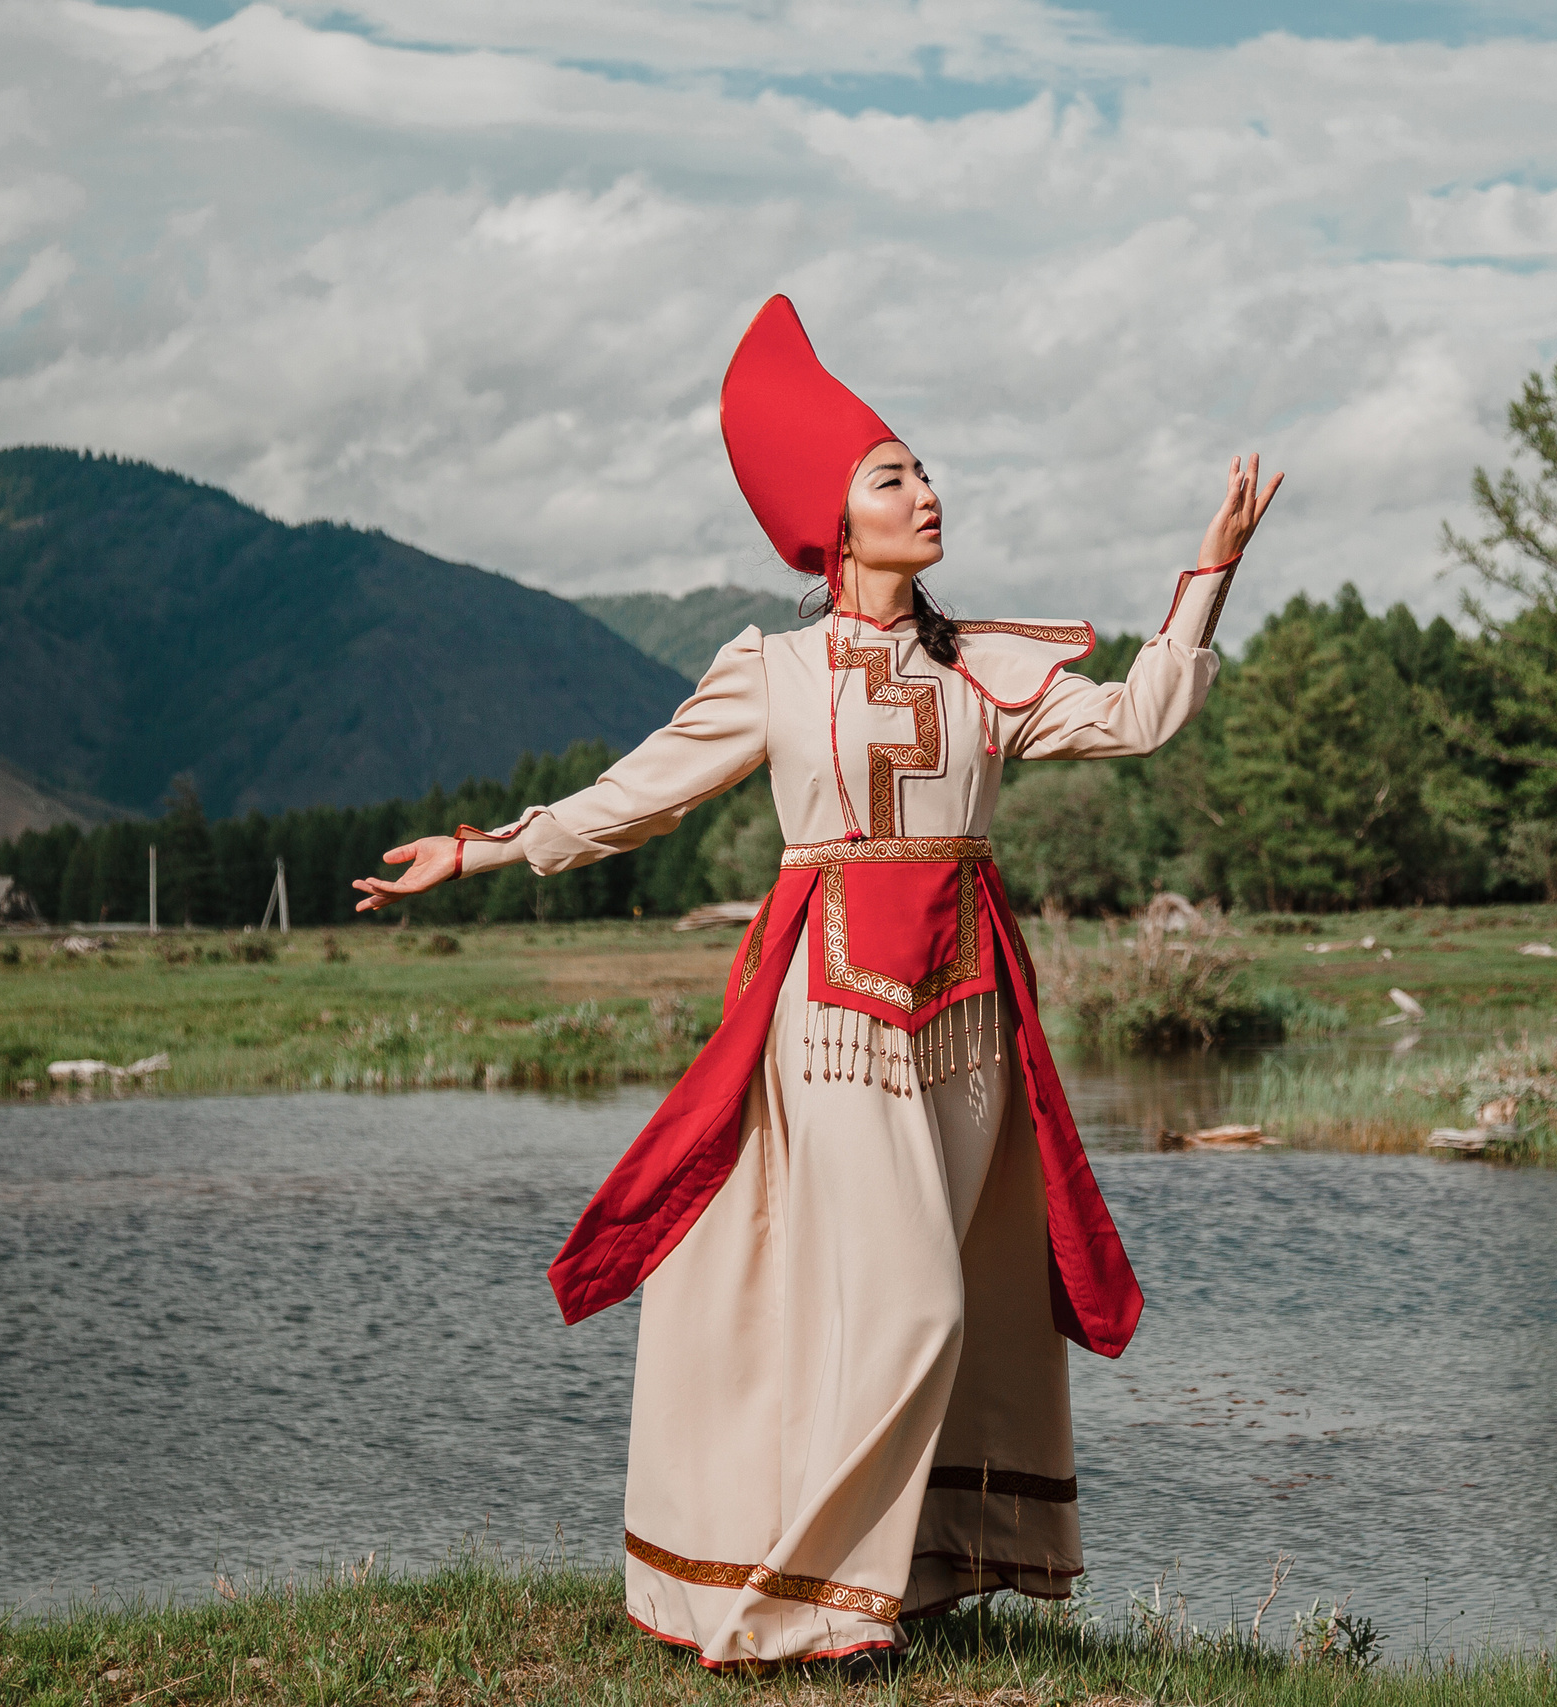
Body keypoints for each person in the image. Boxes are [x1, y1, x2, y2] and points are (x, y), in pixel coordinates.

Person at [351, 295, 1281, 1667]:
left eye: (925, 470)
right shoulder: (774, 673)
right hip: (827, 1017)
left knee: (959, 1283)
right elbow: (637, 797)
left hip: (964, 1019)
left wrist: (1210, 572)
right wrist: (483, 850)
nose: (928, 491)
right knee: (917, 1300)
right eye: (893, 476)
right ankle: (803, 1600)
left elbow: (1141, 714)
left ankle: (895, 1582)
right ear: (833, 521)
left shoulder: (987, 671)